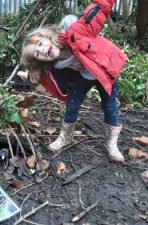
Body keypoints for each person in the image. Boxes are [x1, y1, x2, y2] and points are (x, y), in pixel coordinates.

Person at [19, 0, 127, 162]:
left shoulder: (76, 32)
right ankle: (65, 137)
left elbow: (96, 12)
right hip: (84, 76)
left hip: (105, 71)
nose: (41, 50)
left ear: (47, 36)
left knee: (109, 105)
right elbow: (41, 76)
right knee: (72, 104)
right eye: (37, 53)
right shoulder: (52, 64)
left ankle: (111, 142)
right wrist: (28, 76)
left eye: (40, 44)